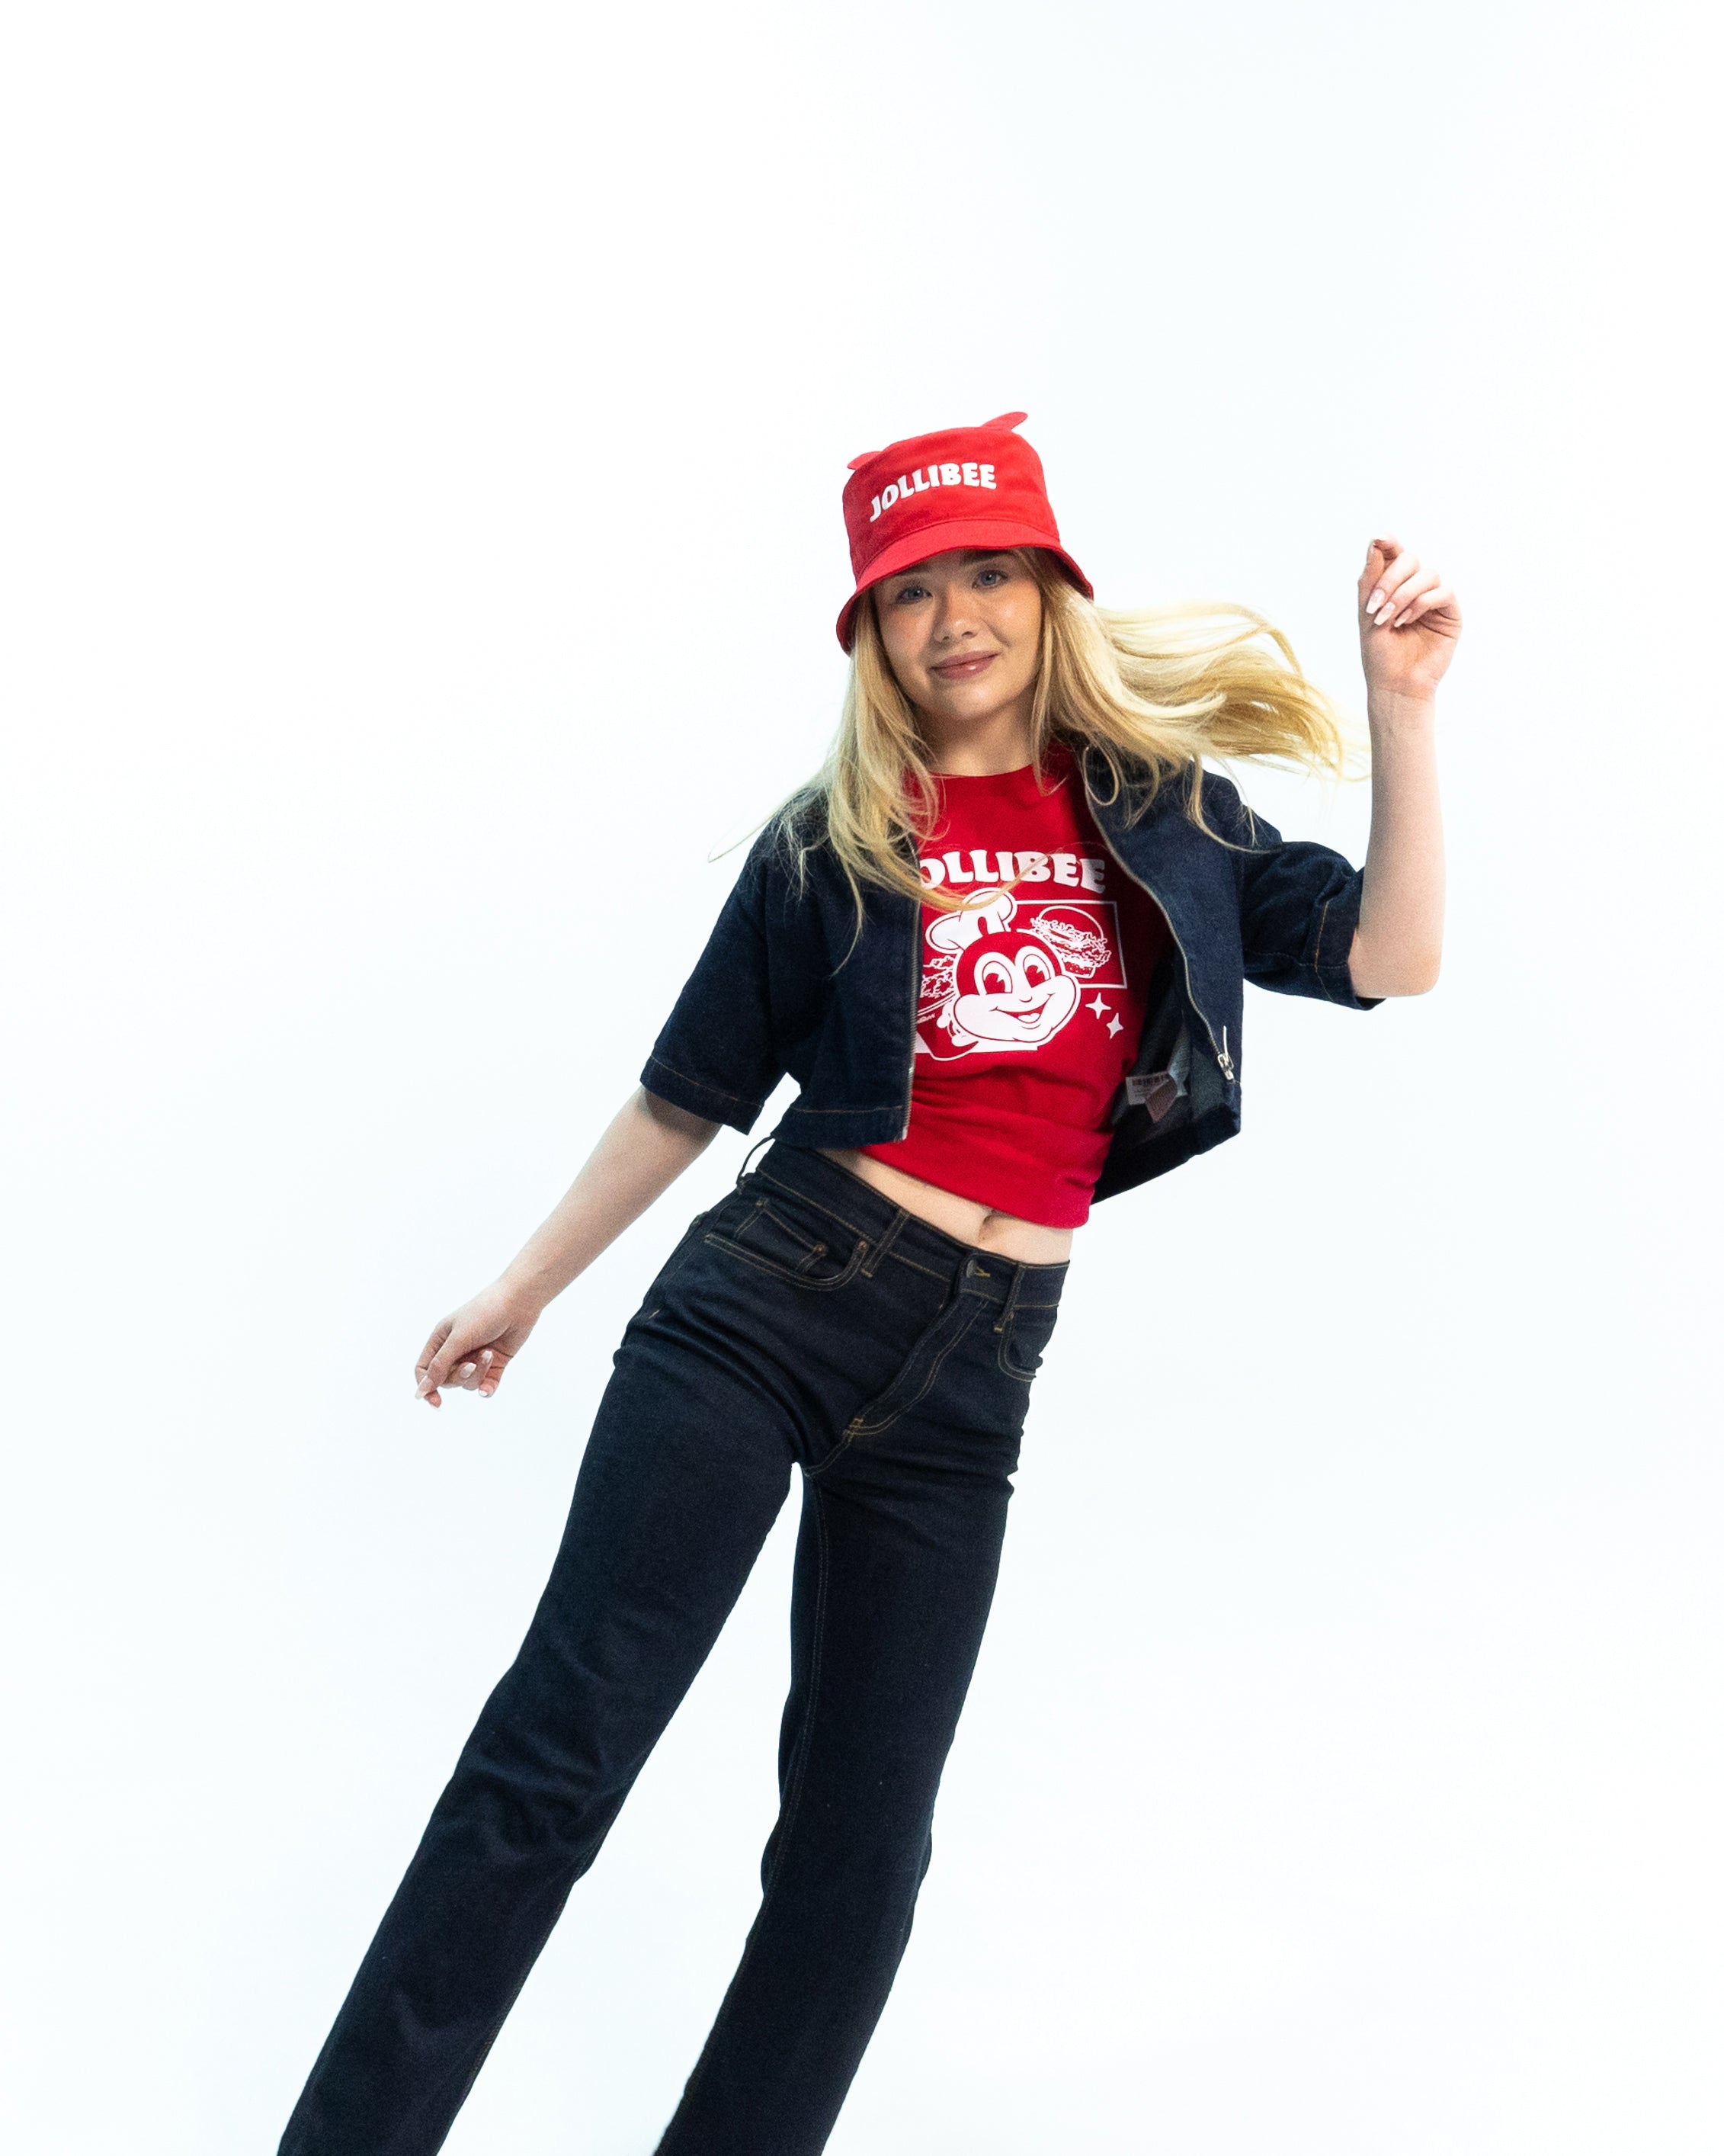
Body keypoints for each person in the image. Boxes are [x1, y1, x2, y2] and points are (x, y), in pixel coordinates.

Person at [279, 412, 1460, 2155]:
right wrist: (524, 1286)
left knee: (860, 1856)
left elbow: (1392, 959)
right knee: (554, 1764)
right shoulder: (830, 840)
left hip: (978, 1374)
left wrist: (1405, 714)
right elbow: (684, 1096)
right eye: (909, 590)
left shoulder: (1172, 815)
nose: (953, 615)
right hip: (764, 1309)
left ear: (1052, 592)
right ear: (868, 635)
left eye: (989, 571)